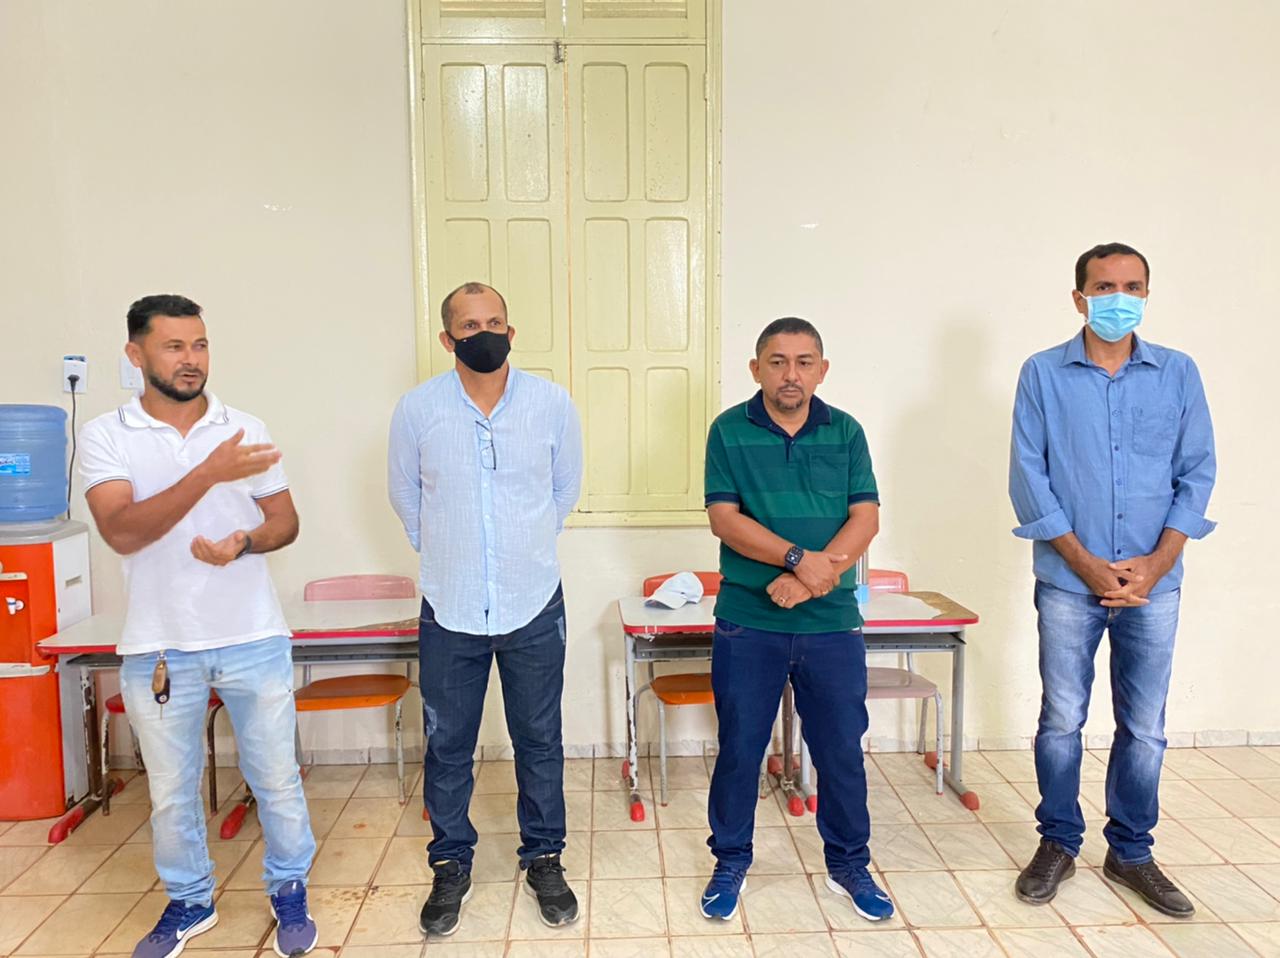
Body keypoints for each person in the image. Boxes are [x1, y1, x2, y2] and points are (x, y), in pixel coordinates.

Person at [79, 294, 317, 958]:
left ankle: (289, 887)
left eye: (200, 344)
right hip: (159, 645)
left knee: (277, 778)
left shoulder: (244, 427)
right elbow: (122, 531)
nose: (192, 359)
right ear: (136, 354)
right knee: (171, 792)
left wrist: (245, 542)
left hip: (253, 635)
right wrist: (206, 473)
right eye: (174, 346)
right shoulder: (106, 435)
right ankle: (190, 901)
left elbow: (284, 521)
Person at [1009, 243, 1216, 916]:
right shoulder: (1043, 374)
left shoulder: (1178, 374)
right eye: (1104, 287)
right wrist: (1085, 562)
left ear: (1147, 295)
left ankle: (1130, 851)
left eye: (1132, 286)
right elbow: (1029, 477)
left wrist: (1156, 563)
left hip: (1154, 584)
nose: (1118, 297)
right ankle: (1058, 843)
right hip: (1069, 581)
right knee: (1061, 719)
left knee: (1146, 726)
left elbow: (1197, 472)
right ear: (1079, 298)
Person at [387, 281, 583, 937]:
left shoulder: (551, 404)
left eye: (495, 322)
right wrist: (451, 553)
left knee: (540, 739)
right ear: (448, 339)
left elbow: (564, 491)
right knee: (447, 745)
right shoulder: (418, 410)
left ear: (511, 331)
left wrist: (522, 548)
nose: (484, 334)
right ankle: (450, 864)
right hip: (451, 604)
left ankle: (544, 857)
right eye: (469, 326)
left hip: (534, 600)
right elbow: (406, 497)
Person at [698, 317, 894, 924]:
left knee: (840, 752)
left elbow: (866, 519)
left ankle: (849, 864)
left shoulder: (847, 431)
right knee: (740, 749)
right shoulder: (728, 431)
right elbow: (725, 520)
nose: (791, 374)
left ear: (822, 370)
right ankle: (730, 861)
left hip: (830, 623)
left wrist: (808, 578)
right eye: (778, 361)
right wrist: (795, 558)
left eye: (804, 362)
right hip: (748, 623)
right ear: (755, 369)